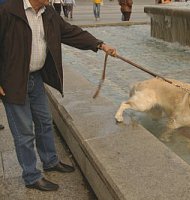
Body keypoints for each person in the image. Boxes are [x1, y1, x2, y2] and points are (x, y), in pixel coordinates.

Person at [0, 0, 116, 192]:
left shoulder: (48, 13)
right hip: (13, 81)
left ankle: (50, 161)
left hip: (35, 78)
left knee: (45, 122)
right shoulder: (8, 10)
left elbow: (70, 32)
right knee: (25, 133)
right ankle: (31, 176)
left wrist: (99, 44)